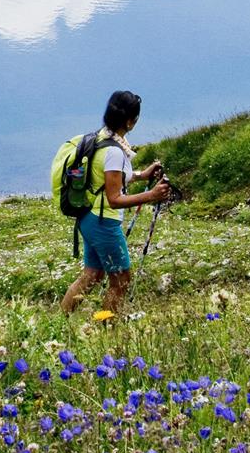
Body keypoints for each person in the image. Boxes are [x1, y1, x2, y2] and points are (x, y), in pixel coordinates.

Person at [60, 90, 170, 319]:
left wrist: (141, 174)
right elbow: (114, 198)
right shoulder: (114, 151)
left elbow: (106, 177)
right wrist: (151, 195)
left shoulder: (101, 137)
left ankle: (62, 321)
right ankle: (107, 330)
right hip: (104, 222)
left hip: (88, 217)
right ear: (131, 121)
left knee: (92, 274)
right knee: (121, 279)